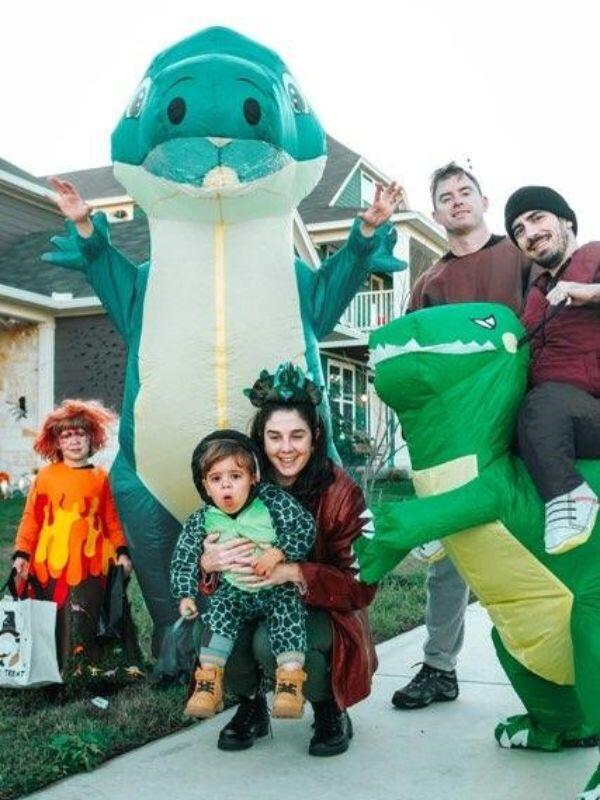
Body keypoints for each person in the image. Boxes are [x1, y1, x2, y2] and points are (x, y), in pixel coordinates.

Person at [392, 162, 532, 711]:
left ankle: (553, 678)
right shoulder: (431, 283)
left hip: (524, 426)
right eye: (445, 196)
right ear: (435, 213)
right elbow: (412, 369)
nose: (456, 201)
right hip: (460, 440)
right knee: (452, 557)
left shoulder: (519, 258)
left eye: (464, 191)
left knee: (538, 552)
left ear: (483, 199)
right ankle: (439, 667)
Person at [195, 363, 377, 757]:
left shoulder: (341, 492)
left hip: (323, 609)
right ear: (259, 439)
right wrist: (208, 564)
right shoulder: (240, 482)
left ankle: (329, 708)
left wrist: (294, 571)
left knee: (269, 643)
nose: (286, 448)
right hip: (249, 597)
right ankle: (250, 707)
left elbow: (364, 584)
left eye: (297, 435)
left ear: (315, 436)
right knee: (211, 634)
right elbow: (202, 545)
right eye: (274, 437)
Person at [170, 429, 316, 720]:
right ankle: (208, 682)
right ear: (205, 486)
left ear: (253, 478)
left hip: (275, 589)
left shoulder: (272, 502)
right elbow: (185, 555)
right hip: (234, 591)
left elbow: (304, 527)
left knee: (288, 619)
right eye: (216, 479)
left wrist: (279, 552)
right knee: (216, 618)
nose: (226, 487)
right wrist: (185, 593)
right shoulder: (203, 519)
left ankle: (289, 683)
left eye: (235, 477)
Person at [11, 399, 139, 679]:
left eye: (80, 433)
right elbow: (31, 518)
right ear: (56, 442)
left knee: (90, 610)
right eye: (66, 435)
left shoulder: (100, 478)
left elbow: (111, 519)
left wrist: (121, 551)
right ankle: (58, 666)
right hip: (53, 563)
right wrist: (22, 554)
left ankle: (95, 665)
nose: (74, 440)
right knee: (58, 613)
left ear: (91, 438)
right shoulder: (46, 477)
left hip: (92, 562)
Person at [504, 185, 600, 555]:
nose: (529, 233)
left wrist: (589, 292)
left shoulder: (594, 257)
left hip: (588, 409)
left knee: (544, 404)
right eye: (518, 230)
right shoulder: (535, 294)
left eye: (537, 218)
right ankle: (450, 518)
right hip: (549, 418)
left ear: (566, 221)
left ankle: (571, 496)